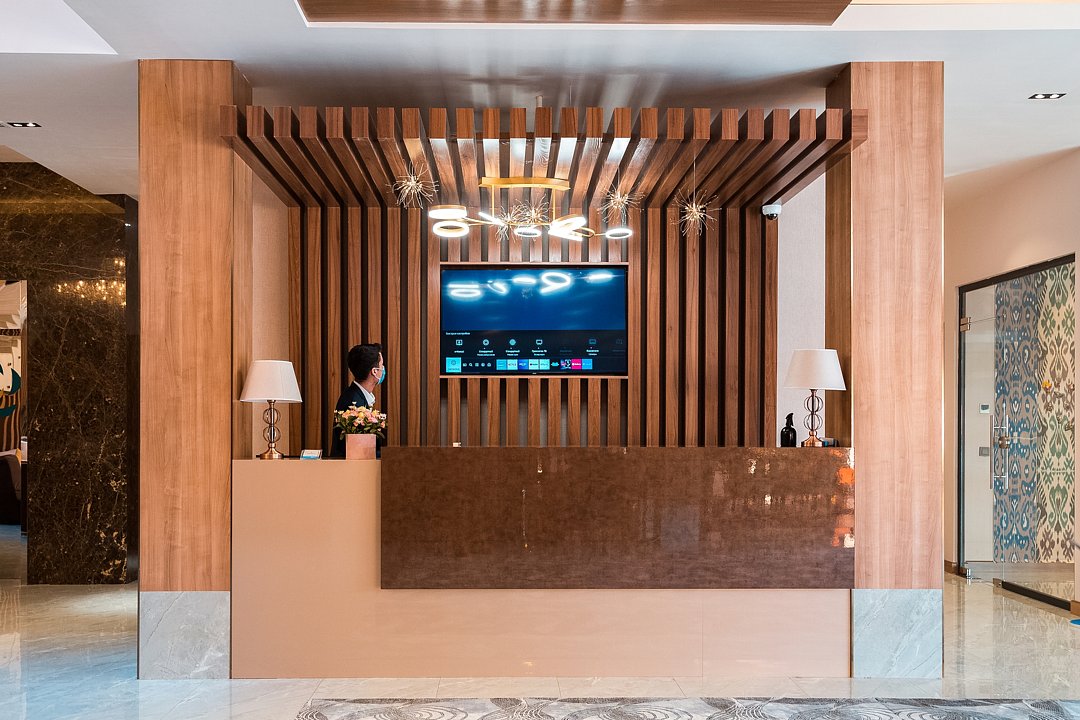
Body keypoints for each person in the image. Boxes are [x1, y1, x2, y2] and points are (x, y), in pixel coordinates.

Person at [329, 343, 385, 458]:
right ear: (374, 371)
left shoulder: (357, 396)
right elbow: (357, 448)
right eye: (382, 365)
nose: (383, 369)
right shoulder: (353, 403)